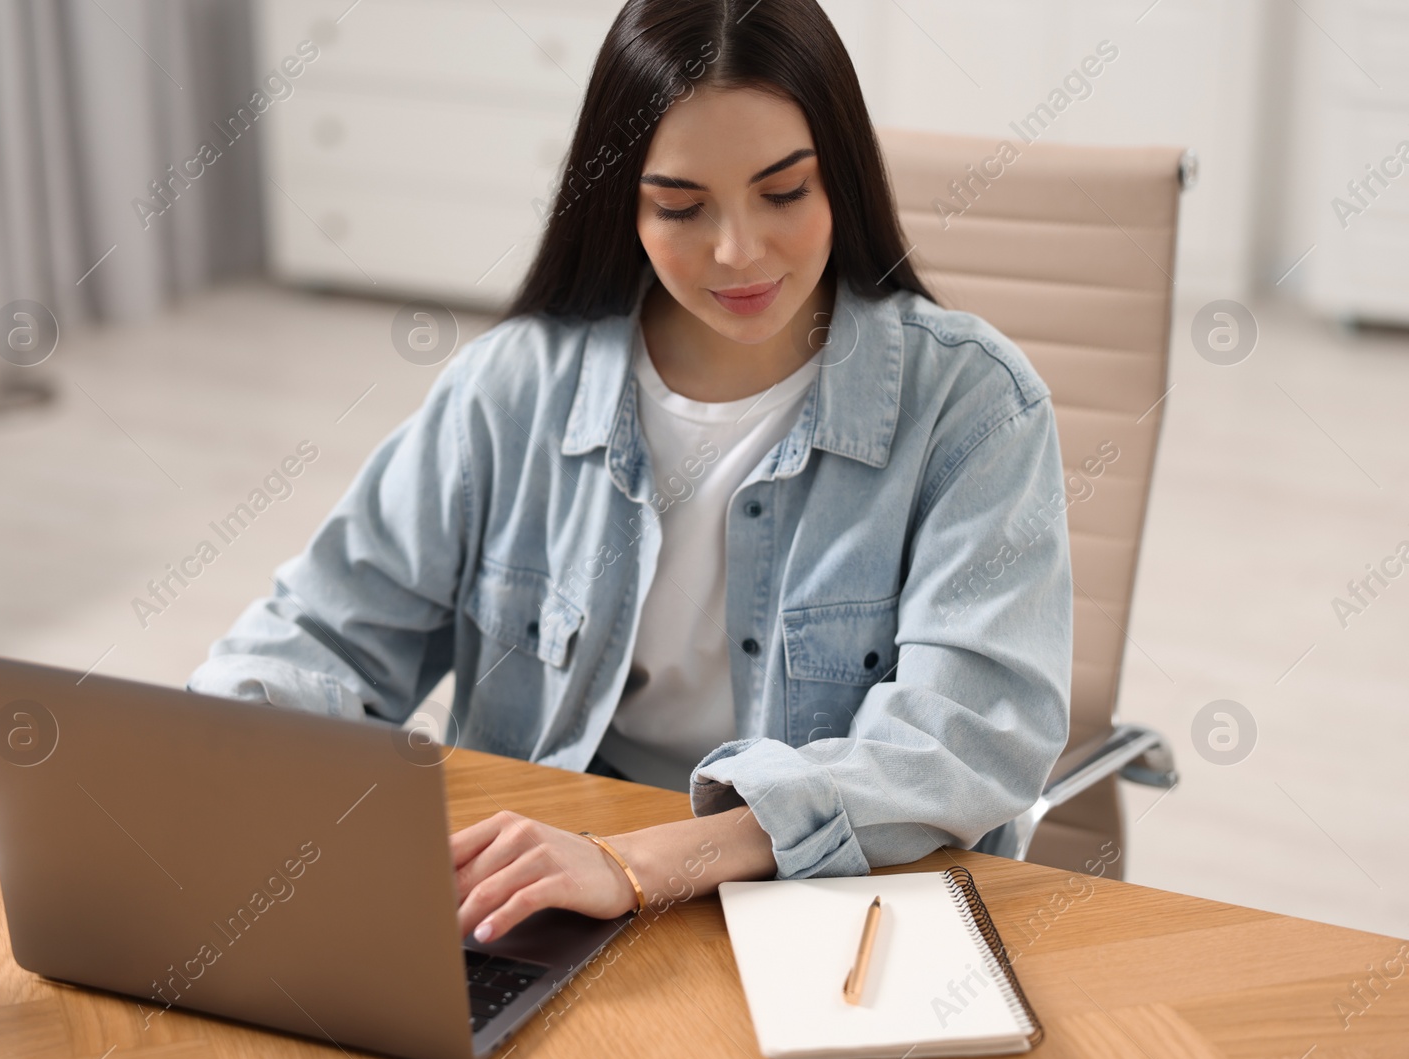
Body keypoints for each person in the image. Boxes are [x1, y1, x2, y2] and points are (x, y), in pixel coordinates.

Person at [189, 0, 1071, 947]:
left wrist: (637, 864)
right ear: (624, 203)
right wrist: (220, 763)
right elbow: (316, 634)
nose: (738, 252)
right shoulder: (513, 386)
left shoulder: (974, 405)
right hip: (547, 898)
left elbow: (966, 739)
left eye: (784, 193)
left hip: (826, 908)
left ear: (842, 183)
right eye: (682, 207)